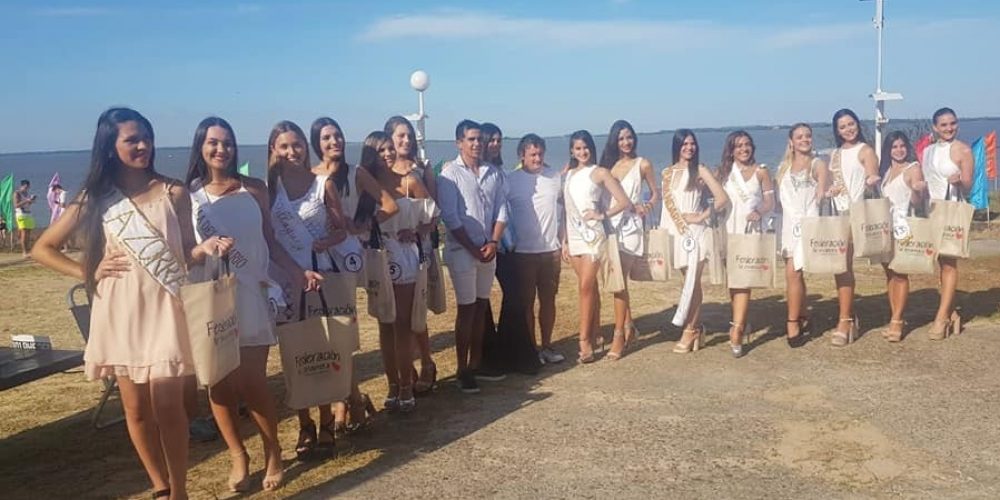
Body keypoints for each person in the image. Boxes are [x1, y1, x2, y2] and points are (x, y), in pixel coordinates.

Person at [32, 107, 226, 500]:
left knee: (170, 406)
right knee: (136, 410)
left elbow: (184, 254)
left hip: (166, 306)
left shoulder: (174, 191)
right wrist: (88, 271)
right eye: (131, 139)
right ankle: (159, 484)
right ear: (109, 146)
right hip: (120, 309)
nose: (143, 145)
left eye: (146, 137)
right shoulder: (97, 197)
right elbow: (43, 248)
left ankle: (180, 491)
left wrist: (203, 250)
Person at [185, 117, 324, 491]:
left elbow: (269, 240)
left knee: (252, 380)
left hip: (250, 292)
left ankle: (273, 451)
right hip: (210, 294)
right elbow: (185, 253)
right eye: (213, 142)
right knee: (218, 380)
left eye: (227, 142)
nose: (220, 149)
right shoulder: (189, 195)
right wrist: (203, 249)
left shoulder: (255, 189)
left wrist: (296, 272)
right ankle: (237, 454)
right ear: (200, 147)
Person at [265, 120, 349, 461]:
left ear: (306, 146)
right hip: (286, 280)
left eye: (296, 144)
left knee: (323, 349)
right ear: (273, 150)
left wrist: (323, 241)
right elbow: (268, 239)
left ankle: (327, 421)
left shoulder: (323, 184)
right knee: (295, 354)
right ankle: (305, 423)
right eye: (283, 146)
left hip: (321, 277)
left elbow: (342, 231)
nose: (291, 151)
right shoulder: (269, 189)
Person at [311, 117, 395, 431]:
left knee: (343, 334)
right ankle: (352, 399)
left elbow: (389, 205)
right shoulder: (311, 176)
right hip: (319, 258)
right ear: (316, 144)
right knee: (327, 333)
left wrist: (363, 225)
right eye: (326, 138)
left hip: (347, 259)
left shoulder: (356, 173)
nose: (334, 142)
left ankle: (345, 403)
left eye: (338, 136)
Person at [356, 131, 437, 412]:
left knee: (401, 324)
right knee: (384, 324)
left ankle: (405, 385)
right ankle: (392, 383)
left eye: (390, 148)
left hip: (403, 258)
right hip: (377, 257)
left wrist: (416, 231)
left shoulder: (409, 182)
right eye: (381, 150)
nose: (388, 154)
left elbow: (433, 216)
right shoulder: (364, 184)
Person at [437, 119, 508, 393]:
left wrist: (493, 241)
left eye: (479, 139)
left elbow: (502, 209)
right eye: (471, 139)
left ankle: (476, 362)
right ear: (459, 142)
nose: (477, 144)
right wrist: (472, 248)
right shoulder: (449, 175)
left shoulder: (492, 172)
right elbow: (451, 217)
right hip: (462, 251)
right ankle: (461, 367)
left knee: (481, 306)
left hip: (488, 249)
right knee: (466, 309)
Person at [562, 130, 633, 363]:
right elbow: (565, 210)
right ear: (572, 151)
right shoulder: (568, 174)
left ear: (591, 148)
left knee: (585, 287)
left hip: (593, 237)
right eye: (577, 148)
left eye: (586, 147)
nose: (582, 152)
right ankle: (595, 333)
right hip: (574, 236)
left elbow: (623, 201)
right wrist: (563, 239)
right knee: (588, 289)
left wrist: (602, 214)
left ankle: (584, 342)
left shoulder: (600, 172)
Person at [384, 116, 438, 395]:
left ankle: (426, 362)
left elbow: (433, 214)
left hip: (415, 251)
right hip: (385, 257)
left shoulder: (419, 171)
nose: (405, 141)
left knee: (414, 314)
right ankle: (405, 371)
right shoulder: (376, 174)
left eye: (408, 136)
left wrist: (416, 231)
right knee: (391, 319)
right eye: (399, 136)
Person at [661, 129, 728, 353]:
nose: (689, 147)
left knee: (693, 281)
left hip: (695, 234)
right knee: (686, 281)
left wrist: (701, 216)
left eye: (692, 144)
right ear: (677, 146)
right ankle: (696, 326)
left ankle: (690, 330)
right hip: (675, 232)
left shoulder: (699, 170)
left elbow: (721, 198)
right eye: (685, 144)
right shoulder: (668, 173)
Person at [597, 120, 660, 360]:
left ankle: (618, 335)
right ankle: (629, 326)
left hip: (631, 227)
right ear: (615, 140)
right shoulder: (608, 165)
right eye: (621, 138)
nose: (626, 142)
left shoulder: (642, 164)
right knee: (616, 280)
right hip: (610, 225)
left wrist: (647, 205)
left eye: (629, 137)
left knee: (619, 283)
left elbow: (656, 192)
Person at [505, 134, 565, 365]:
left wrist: (564, 239)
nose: (537, 158)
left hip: (551, 251)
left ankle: (547, 345)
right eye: (532, 154)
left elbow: (567, 208)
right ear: (522, 156)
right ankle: (531, 348)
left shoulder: (554, 178)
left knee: (548, 301)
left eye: (540, 154)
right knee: (527, 303)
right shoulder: (511, 179)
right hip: (523, 252)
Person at [718, 130, 774, 357]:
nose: (744, 149)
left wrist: (759, 211)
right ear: (731, 150)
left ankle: (737, 329)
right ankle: (740, 321)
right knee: (734, 282)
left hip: (749, 231)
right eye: (738, 145)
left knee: (743, 281)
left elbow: (770, 200)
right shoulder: (723, 172)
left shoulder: (761, 171)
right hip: (727, 230)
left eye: (747, 145)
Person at [827, 109, 880, 346]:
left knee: (845, 266)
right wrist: (831, 190)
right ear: (837, 131)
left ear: (857, 124)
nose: (848, 129)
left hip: (856, 214)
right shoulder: (835, 154)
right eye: (842, 126)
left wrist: (872, 180)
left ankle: (845, 319)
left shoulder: (866, 150)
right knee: (840, 267)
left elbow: (872, 176)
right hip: (837, 214)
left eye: (851, 124)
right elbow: (832, 183)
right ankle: (847, 317)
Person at [921, 107, 974, 339]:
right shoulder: (928, 151)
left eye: (952, 123)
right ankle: (952, 313)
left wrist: (960, 181)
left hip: (952, 210)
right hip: (932, 209)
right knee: (939, 262)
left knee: (949, 263)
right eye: (943, 124)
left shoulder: (962, 149)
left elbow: (970, 186)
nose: (949, 128)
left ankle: (941, 318)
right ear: (935, 127)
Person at [775, 123, 828, 347]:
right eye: (799, 136)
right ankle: (803, 314)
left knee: (793, 273)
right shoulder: (783, 167)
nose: (805, 139)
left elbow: (822, 188)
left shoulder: (817, 164)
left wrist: (825, 191)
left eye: (808, 136)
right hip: (789, 224)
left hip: (807, 222)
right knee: (796, 273)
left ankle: (792, 322)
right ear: (791, 141)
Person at [877, 131, 927, 342]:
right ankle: (894, 315)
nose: (899, 150)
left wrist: (917, 190)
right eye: (894, 146)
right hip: (886, 227)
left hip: (903, 226)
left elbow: (917, 202)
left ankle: (897, 320)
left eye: (902, 145)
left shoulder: (913, 168)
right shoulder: (887, 170)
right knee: (889, 273)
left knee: (900, 273)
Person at [14, 179, 37, 257]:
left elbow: (27, 204)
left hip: (28, 214)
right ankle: (24, 252)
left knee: (28, 233)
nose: (27, 188)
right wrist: (26, 201)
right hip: (21, 214)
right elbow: (16, 205)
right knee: (24, 233)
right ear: (22, 186)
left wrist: (31, 201)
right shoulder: (17, 193)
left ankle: (28, 250)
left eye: (28, 187)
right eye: (26, 186)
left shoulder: (26, 193)